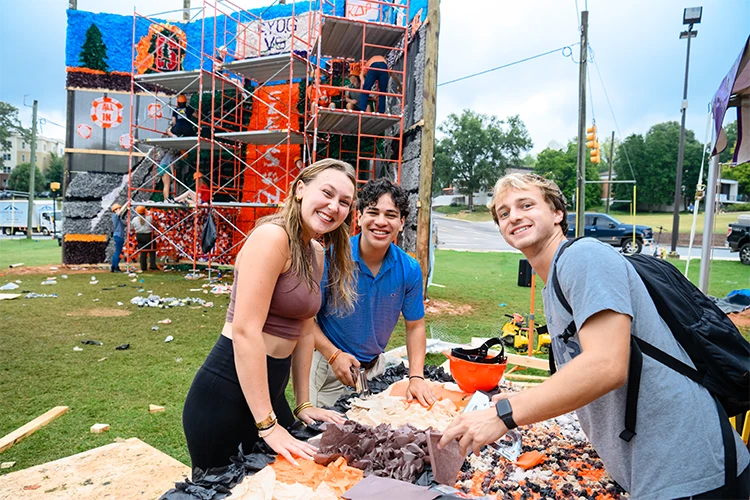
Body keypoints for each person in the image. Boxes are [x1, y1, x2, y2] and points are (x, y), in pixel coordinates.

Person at [438, 173, 750, 499]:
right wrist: (518, 401)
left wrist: (504, 416)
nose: (513, 216)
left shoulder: (582, 257)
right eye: (503, 213)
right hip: (656, 474)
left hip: (694, 474)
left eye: (526, 205)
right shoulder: (555, 281)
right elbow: (584, 370)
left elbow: (605, 366)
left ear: (558, 213)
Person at [182, 159, 358, 471]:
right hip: (225, 396)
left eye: (344, 202)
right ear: (301, 189)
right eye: (327, 193)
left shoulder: (315, 252)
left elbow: (304, 328)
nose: (333, 207)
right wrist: (267, 425)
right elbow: (245, 332)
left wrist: (303, 402)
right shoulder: (272, 238)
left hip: (271, 395)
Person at [309, 178, 437, 408]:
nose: (381, 222)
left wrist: (416, 376)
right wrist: (333, 355)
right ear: (359, 217)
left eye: (390, 215)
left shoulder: (409, 269)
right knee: (320, 439)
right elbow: (305, 320)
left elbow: (415, 326)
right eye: (373, 212)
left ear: (401, 222)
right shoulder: (331, 259)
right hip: (329, 368)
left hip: (374, 368)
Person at [131, 205, 158, 272]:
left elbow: (132, 228)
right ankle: (152, 265)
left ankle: (143, 267)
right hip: (148, 236)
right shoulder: (149, 218)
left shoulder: (134, 219)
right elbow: (155, 226)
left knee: (143, 251)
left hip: (139, 236)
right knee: (152, 250)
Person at [110, 201, 130, 273]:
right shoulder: (115, 216)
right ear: (115, 210)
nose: (119, 209)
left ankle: (114, 266)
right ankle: (115, 267)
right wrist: (127, 203)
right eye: (118, 208)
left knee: (117, 252)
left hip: (119, 236)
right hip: (119, 236)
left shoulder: (117, 218)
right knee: (117, 252)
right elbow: (121, 211)